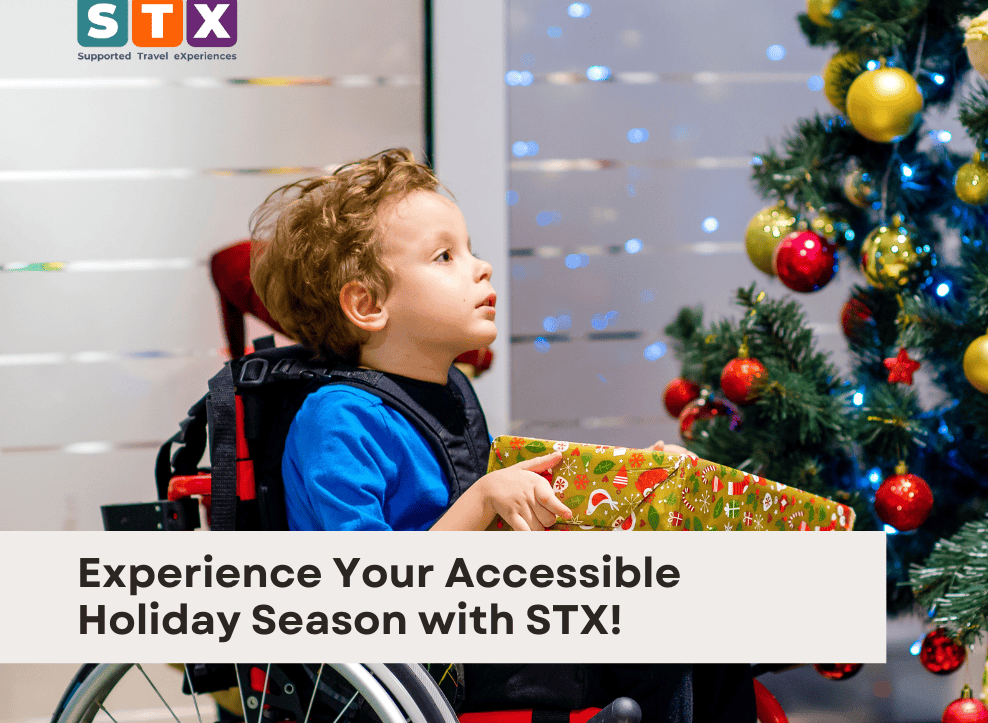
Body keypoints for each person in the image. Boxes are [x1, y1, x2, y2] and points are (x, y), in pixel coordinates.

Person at [248, 148, 754, 722]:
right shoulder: (337, 421)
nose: (480, 267)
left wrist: (639, 487)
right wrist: (484, 499)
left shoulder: (453, 394)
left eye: (470, 250)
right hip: (416, 667)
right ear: (368, 303)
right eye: (445, 256)